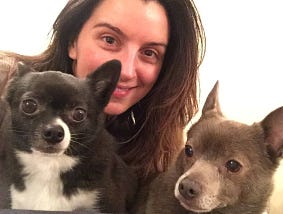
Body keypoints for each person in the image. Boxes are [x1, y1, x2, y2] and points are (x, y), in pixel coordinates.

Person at [0, 0, 206, 184]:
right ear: (73, 40)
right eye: (109, 40)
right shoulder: (5, 80)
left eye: (149, 53)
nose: (125, 71)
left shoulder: (158, 146)